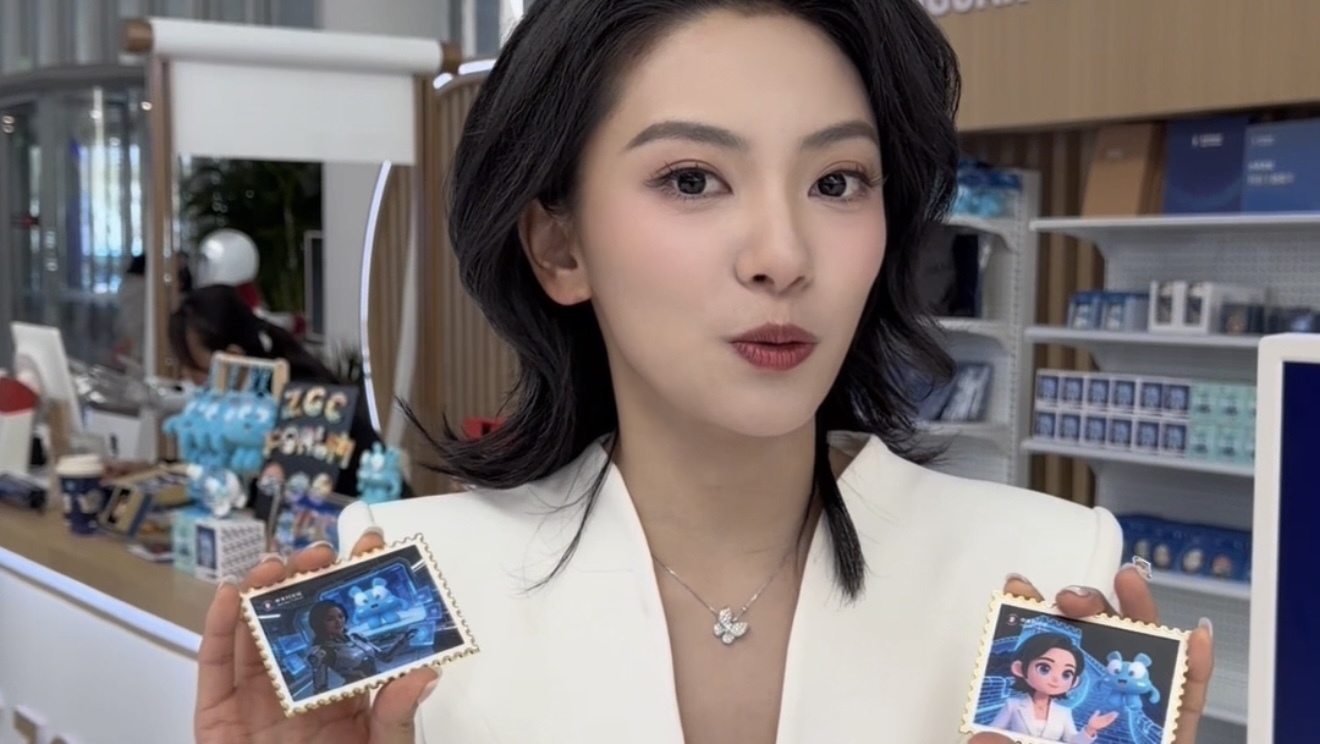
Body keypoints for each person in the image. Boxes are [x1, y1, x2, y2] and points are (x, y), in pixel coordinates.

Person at [194, 2, 1214, 743]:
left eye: (837, 181)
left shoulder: (1042, 575)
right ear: (559, 247)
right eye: (692, 178)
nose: (783, 255)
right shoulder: (405, 581)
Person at [169, 283, 410, 509]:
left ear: (233, 356)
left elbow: (285, 503)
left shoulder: (301, 397)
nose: (187, 377)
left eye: (194, 368)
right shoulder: (241, 402)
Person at [990, 633, 1118, 743]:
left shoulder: (1064, 712)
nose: (1056, 679)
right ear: (1019, 669)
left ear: (1074, 682)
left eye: (1066, 674)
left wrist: (1090, 729)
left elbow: (1073, 741)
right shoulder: (1012, 705)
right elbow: (991, 734)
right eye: (1044, 669)